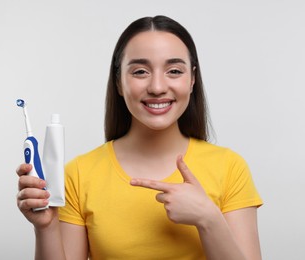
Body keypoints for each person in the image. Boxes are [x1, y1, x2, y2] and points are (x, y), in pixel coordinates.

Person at [16, 15, 263, 260]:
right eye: (141, 71)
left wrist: (209, 219)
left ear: (192, 80)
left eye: (174, 71)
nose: (157, 87)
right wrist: (46, 227)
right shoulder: (79, 174)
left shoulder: (230, 168)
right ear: (118, 82)